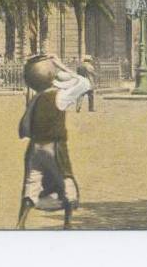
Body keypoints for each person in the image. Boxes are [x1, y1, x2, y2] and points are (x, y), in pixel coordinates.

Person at [16, 55, 91, 230]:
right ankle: (67, 223)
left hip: (34, 148)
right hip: (54, 147)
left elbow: (23, 129)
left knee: (31, 184)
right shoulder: (60, 96)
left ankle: (20, 224)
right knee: (66, 181)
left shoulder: (35, 99)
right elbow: (84, 84)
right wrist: (60, 64)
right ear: (51, 75)